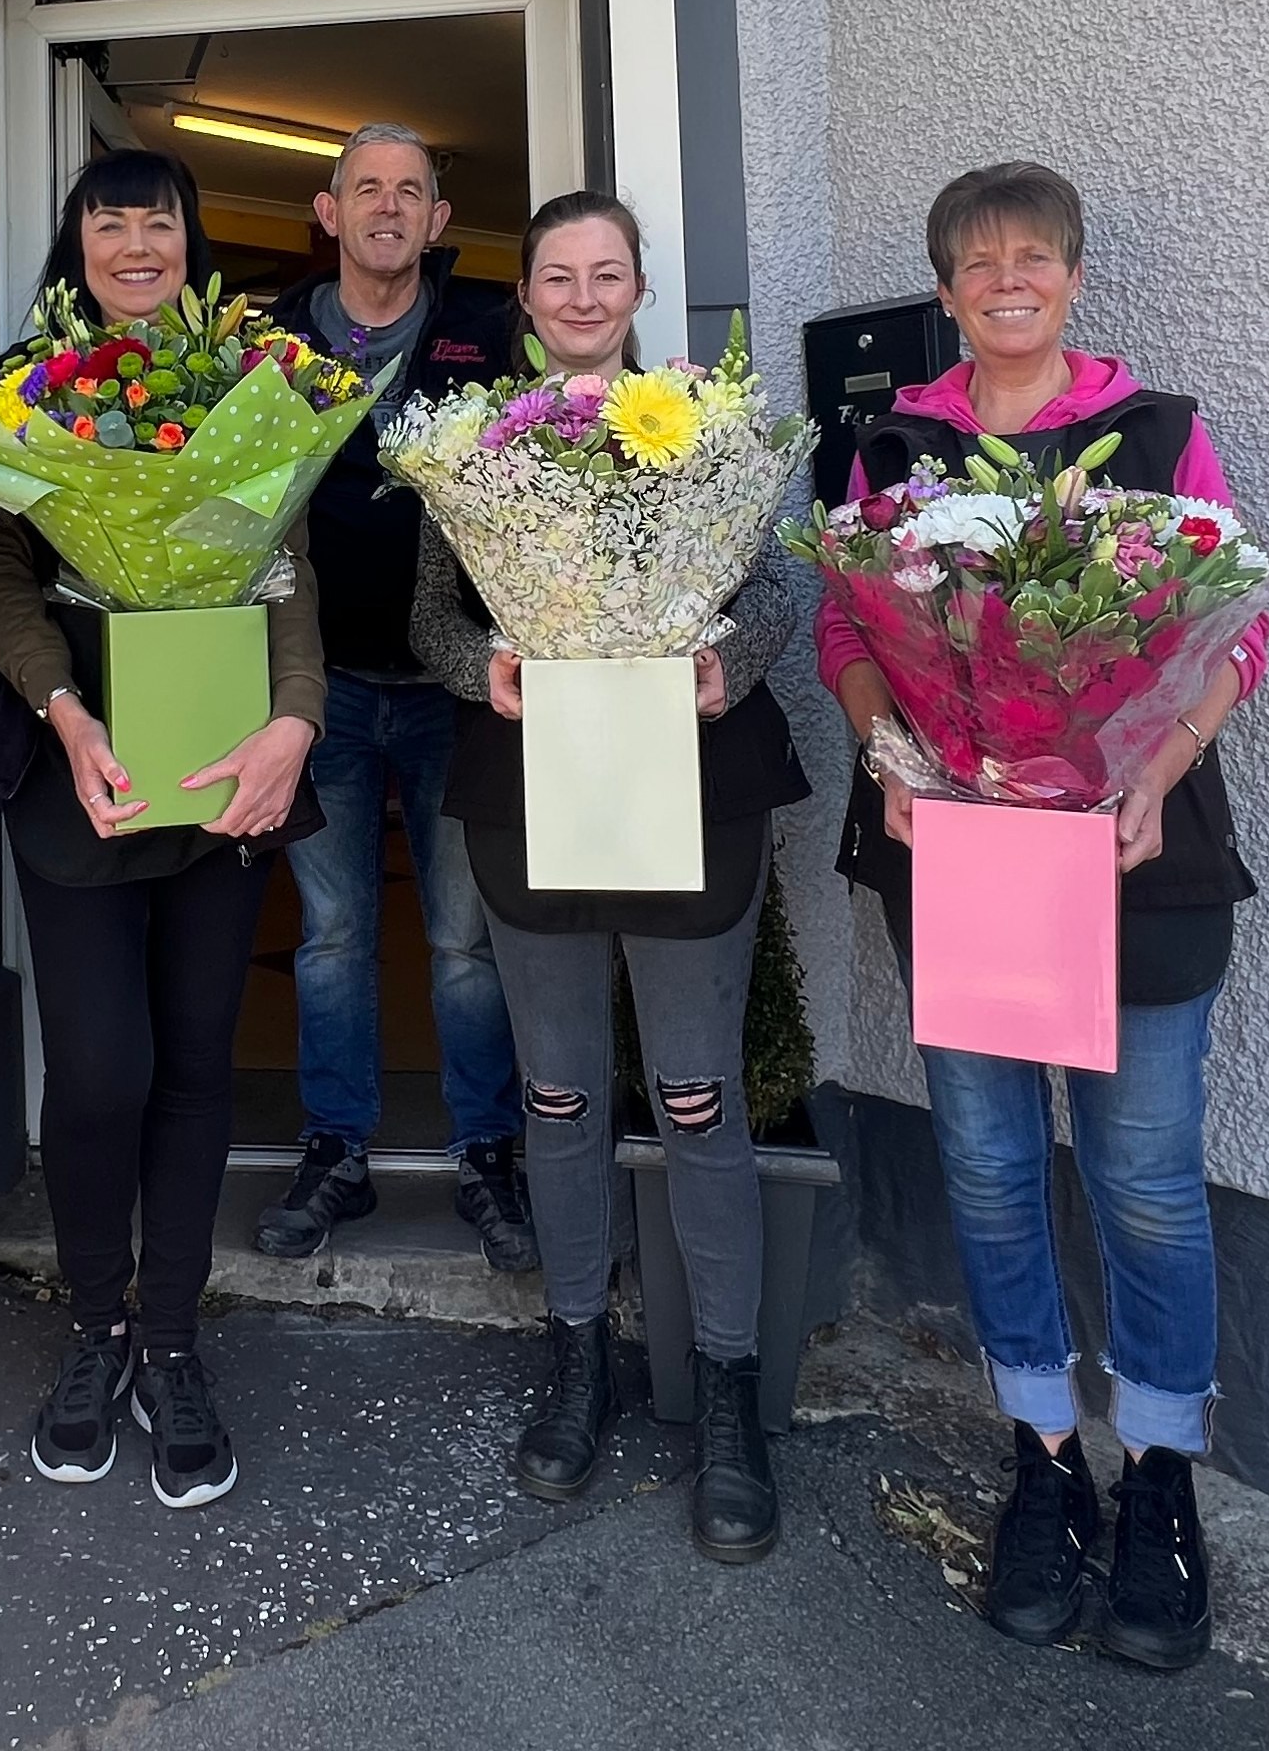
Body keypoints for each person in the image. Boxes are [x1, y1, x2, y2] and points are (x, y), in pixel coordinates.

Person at [816, 160, 1266, 1672]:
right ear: (945, 292)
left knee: (1142, 1178)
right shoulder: (893, 441)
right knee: (993, 1168)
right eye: (979, 261)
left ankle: (1160, 1481)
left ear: (1073, 278)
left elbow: (1234, 621)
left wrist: (1160, 766)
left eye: (1037, 256)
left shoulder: (1156, 433)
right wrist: (887, 752)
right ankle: (1039, 1459)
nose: (1009, 278)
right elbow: (843, 620)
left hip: (1140, 853)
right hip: (961, 853)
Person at [411, 192, 810, 1562]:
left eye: (607, 274)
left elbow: (777, 591)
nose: (582, 296)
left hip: (695, 792)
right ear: (524, 299)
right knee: (560, 1090)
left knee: (699, 1100)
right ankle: (577, 1356)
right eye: (556, 276)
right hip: (533, 799)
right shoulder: (471, 448)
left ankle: (733, 1397)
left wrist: (727, 665)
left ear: (639, 289)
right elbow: (431, 619)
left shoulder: (710, 432)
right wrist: (487, 670)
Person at [0, 150, 325, 1510]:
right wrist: (62, 709)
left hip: (225, 774)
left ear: (190, 239)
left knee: (193, 1067)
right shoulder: (27, 395)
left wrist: (293, 724)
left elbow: (287, 571)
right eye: (108, 220)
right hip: (87, 778)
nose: (135, 241)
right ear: (78, 240)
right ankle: (93, 1328)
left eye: (157, 219)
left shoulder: (249, 383)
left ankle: (169, 1339)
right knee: (103, 1069)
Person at [257, 123, 531, 1270]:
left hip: (457, 686)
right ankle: (337, 1152)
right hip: (313, 688)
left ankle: (486, 1151)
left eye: (407, 191)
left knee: (467, 940)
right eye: (363, 188)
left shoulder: (487, 332)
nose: (385, 207)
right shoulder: (264, 340)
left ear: (433, 222)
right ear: (327, 213)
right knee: (329, 937)